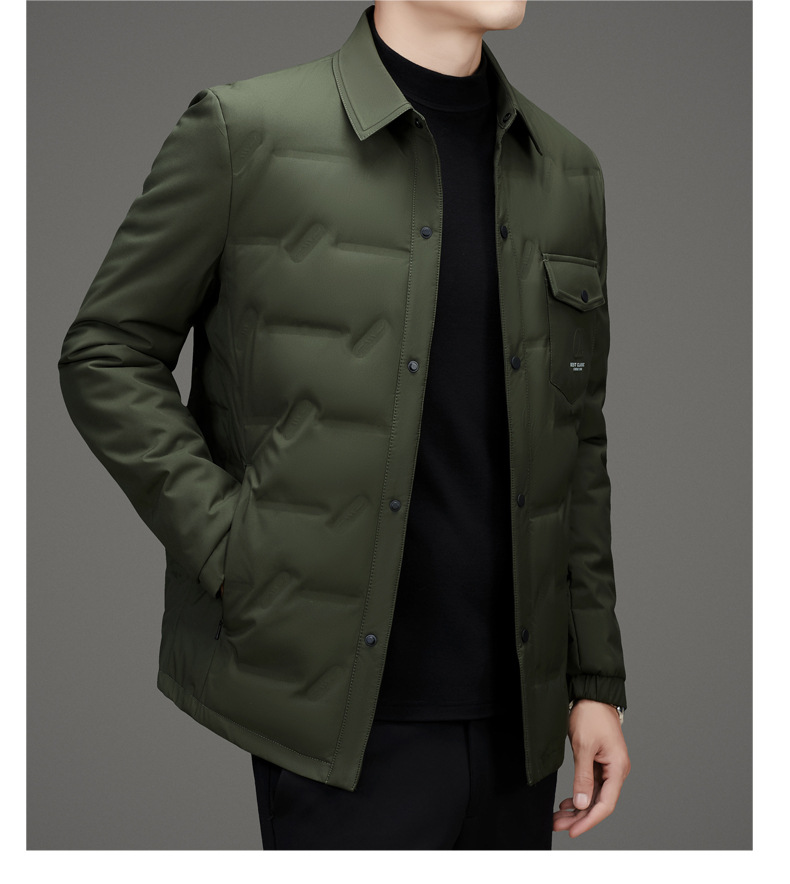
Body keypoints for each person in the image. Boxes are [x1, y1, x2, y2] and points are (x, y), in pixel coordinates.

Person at [58, 0, 630, 849]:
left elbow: (576, 441)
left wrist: (593, 681)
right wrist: (232, 548)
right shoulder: (244, 131)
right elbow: (106, 351)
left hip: (522, 723)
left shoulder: (566, 169)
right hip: (338, 722)